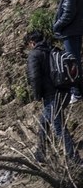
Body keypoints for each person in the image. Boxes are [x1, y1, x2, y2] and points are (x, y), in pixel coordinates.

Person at [25, 31, 78, 162]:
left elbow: (34, 77)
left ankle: (76, 160)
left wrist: (37, 96)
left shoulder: (34, 55)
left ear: (32, 43)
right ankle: (40, 154)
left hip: (52, 96)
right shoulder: (54, 50)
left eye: (28, 45)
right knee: (44, 122)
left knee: (59, 127)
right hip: (65, 92)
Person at [53, 0, 83, 104]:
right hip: (78, 27)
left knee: (71, 62)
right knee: (76, 59)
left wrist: (57, 25)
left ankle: (76, 92)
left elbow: (69, 10)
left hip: (70, 29)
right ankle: (78, 90)